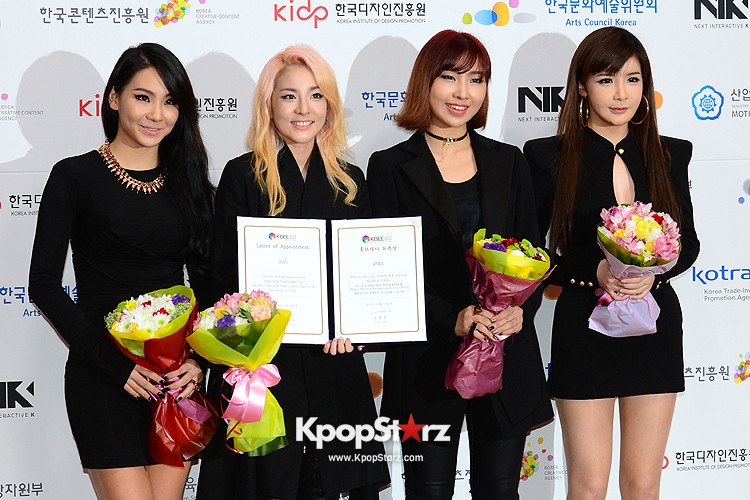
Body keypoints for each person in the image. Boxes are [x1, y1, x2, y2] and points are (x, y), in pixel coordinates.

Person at [196, 45, 389, 500]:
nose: (304, 109)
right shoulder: (242, 176)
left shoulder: (351, 180)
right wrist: (247, 329)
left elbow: (365, 278)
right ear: (269, 105)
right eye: (289, 96)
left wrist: (358, 328)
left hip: (334, 366)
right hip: (264, 371)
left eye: (316, 95)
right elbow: (220, 277)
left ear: (330, 105)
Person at [367, 30, 553, 499]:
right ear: (426, 82)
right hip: (426, 362)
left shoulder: (509, 162)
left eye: (477, 79)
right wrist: (451, 317)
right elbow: (383, 273)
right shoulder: (389, 166)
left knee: (499, 492)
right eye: (450, 77)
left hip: (503, 353)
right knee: (427, 492)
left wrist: (519, 313)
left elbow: (533, 256)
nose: (463, 92)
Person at [28, 43, 215, 499]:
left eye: (170, 101)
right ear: (114, 98)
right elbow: (44, 285)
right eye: (143, 97)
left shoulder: (190, 182)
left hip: (172, 379)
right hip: (104, 375)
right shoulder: (74, 176)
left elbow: (210, 286)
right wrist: (115, 366)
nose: (157, 114)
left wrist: (199, 361)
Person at [523, 27, 700, 500]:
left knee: (643, 484)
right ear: (582, 87)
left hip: (655, 327)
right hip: (583, 326)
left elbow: (689, 245)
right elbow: (531, 254)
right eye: (606, 80)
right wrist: (593, 272)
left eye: (632, 79)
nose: (621, 93)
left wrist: (654, 272)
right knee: (587, 485)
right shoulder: (547, 156)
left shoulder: (670, 153)